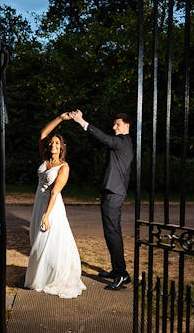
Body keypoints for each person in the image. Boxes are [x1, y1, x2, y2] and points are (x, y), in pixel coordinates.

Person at [23, 113, 86, 299]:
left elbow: (54, 192)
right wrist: (60, 118)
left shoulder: (63, 167)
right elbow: (43, 133)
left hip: (52, 208)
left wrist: (47, 215)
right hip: (38, 204)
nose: (53, 145)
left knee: (47, 242)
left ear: (62, 148)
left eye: (57, 144)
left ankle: (54, 276)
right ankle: (40, 277)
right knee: (36, 240)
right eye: (52, 143)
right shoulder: (45, 160)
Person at [68, 109, 133, 290]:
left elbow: (104, 138)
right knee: (112, 232)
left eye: (117, 124)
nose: (114, 127)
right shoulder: (124, 143)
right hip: (113, 192)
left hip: (114, 193)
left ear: (127, 126)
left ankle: (121, 275)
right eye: (114, 124)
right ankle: (119, 270)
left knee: (112, 232)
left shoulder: (122, 141)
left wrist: (82, 122)